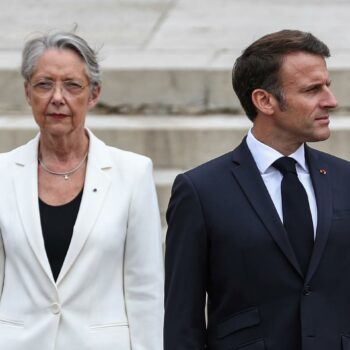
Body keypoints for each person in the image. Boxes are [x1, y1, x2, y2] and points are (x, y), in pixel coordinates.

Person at [164, 29, 350, 350]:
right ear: (264, 100)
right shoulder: (200, 191)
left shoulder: (345, 178)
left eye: (328, 87)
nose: (330, 101)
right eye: (312, 90)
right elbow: (183, 321)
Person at [0, 31, 164, 350]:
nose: (57, 98)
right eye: (44, 84)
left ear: (93, 93)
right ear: (27, 91)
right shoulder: (2, 173)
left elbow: (146, 289)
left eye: (72, 85)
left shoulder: (132, 173)